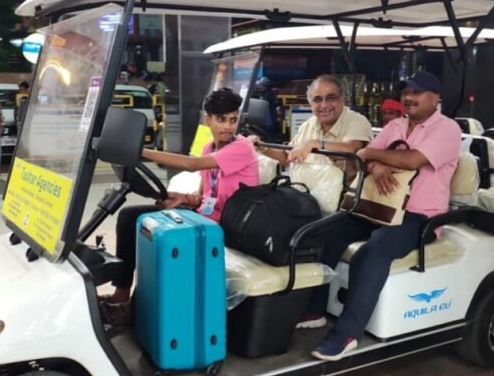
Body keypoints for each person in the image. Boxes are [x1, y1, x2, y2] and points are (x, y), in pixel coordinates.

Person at [305, 71, 461, 361]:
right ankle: (314, 309)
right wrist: (375, 166)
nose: (409, 98)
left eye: (417, 92)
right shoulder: (396, 126)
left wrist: (370, 157)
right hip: (378, 207)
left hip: (419, 217)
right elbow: (365, 156)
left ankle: (347, 333)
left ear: (435, 98)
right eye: (406, 92)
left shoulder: (447, 129)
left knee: (374, 249)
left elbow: (412, 159)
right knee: (327, 232)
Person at [99, 88, 258, 322]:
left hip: (229, 225)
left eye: (233, 120)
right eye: (221, 119)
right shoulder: (209, 148)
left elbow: (192, 165)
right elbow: (204, 195)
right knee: (129, 216)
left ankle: (136, 306)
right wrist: (184, 199)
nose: (227, 126)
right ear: (208, 120)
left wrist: (139, 151)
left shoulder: (241, 147)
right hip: (205, 216)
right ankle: (121, 293)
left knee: (161, 234)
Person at [251, 74, 372, 171]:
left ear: (342, 100)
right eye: (317, 100)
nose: (324, 105)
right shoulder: (307, 125)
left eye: (331, 98)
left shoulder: (357, 121)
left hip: (342, 193)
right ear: (310, 104)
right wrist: (262, 147)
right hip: (307, 190)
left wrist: (315, 144)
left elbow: (351, 149)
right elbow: (287, 157)